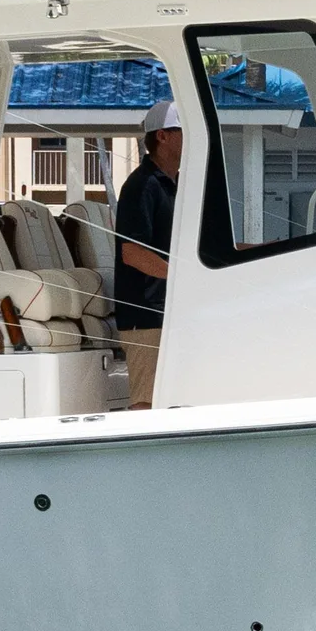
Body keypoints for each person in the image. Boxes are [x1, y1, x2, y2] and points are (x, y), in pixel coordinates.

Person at [114, 98, 181, 409]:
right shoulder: (141, 186)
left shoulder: (174, 185)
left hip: (169, 311)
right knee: (146, 401)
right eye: (182, 130)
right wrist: (184, 277)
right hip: (146, 314)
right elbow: (132, 252)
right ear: (162, 136)